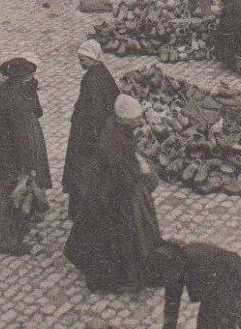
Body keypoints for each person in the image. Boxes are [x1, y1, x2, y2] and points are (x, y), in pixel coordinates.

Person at [64, 95, 166, 294]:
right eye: (137, 118)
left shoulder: (114, 126)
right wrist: (141, 170)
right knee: (118, 234)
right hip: (111, 194)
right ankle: (117, 277)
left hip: (105, 188)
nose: (140, 121)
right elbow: (122, 174)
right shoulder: (114, 139)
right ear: (126, 119)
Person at [0, 57, 52, 254]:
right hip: (14, 157)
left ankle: (17, 227)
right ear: (24, 78)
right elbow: (24, 137)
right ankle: (8, 240)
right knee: (11, 195)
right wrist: (30, 166)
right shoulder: (19, 101)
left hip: (0, 151)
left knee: (7, 192)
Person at [64, 40, 119, 220]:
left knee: (82, 171)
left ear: (93, 58)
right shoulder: (102, 73)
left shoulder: (93, 81)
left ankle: (82, 211)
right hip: (91, 130)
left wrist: (94, 135)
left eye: (84, 60)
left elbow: (95, 111)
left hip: (87, 134)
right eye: (80, 59)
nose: (81, 63)